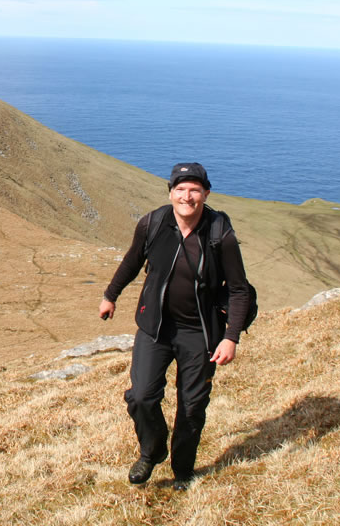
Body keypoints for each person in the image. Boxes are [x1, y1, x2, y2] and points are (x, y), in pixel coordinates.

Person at [99, 162, 251, 491]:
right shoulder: (153, 223)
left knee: (192, 406)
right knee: (140, 397)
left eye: (195, 190)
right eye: (180, 189)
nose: (187, 196)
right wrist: (110, 296)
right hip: (155, 329)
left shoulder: (219, 232)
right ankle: (151, 450)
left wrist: (230, 338)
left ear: (206, 194)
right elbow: (131, 262)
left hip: (200, 333)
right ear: (170, 193)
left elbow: (239, 289)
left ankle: (182, 470)